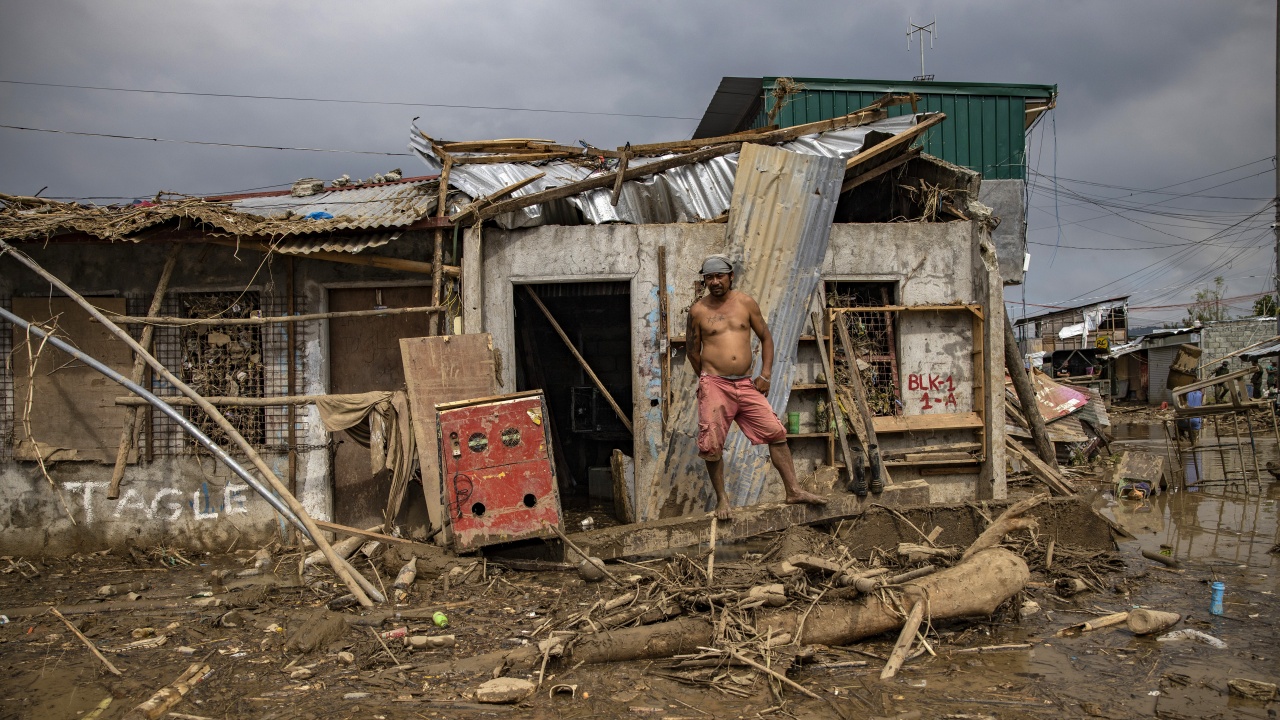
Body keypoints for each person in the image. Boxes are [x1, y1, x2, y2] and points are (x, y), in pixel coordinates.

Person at [686, 254, 827, 520]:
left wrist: (766, 374)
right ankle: (722, 500)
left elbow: (766, 337)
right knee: (712, 445)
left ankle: (793, 490)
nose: (715, 282)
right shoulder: (698, 311)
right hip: (715, 384)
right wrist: (708, 381)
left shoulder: (745, 303)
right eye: (709, 277)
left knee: (776, 432)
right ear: (704, 280)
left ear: (731, 277)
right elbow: (693, 351)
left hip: (745, 383)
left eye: (719, 276)